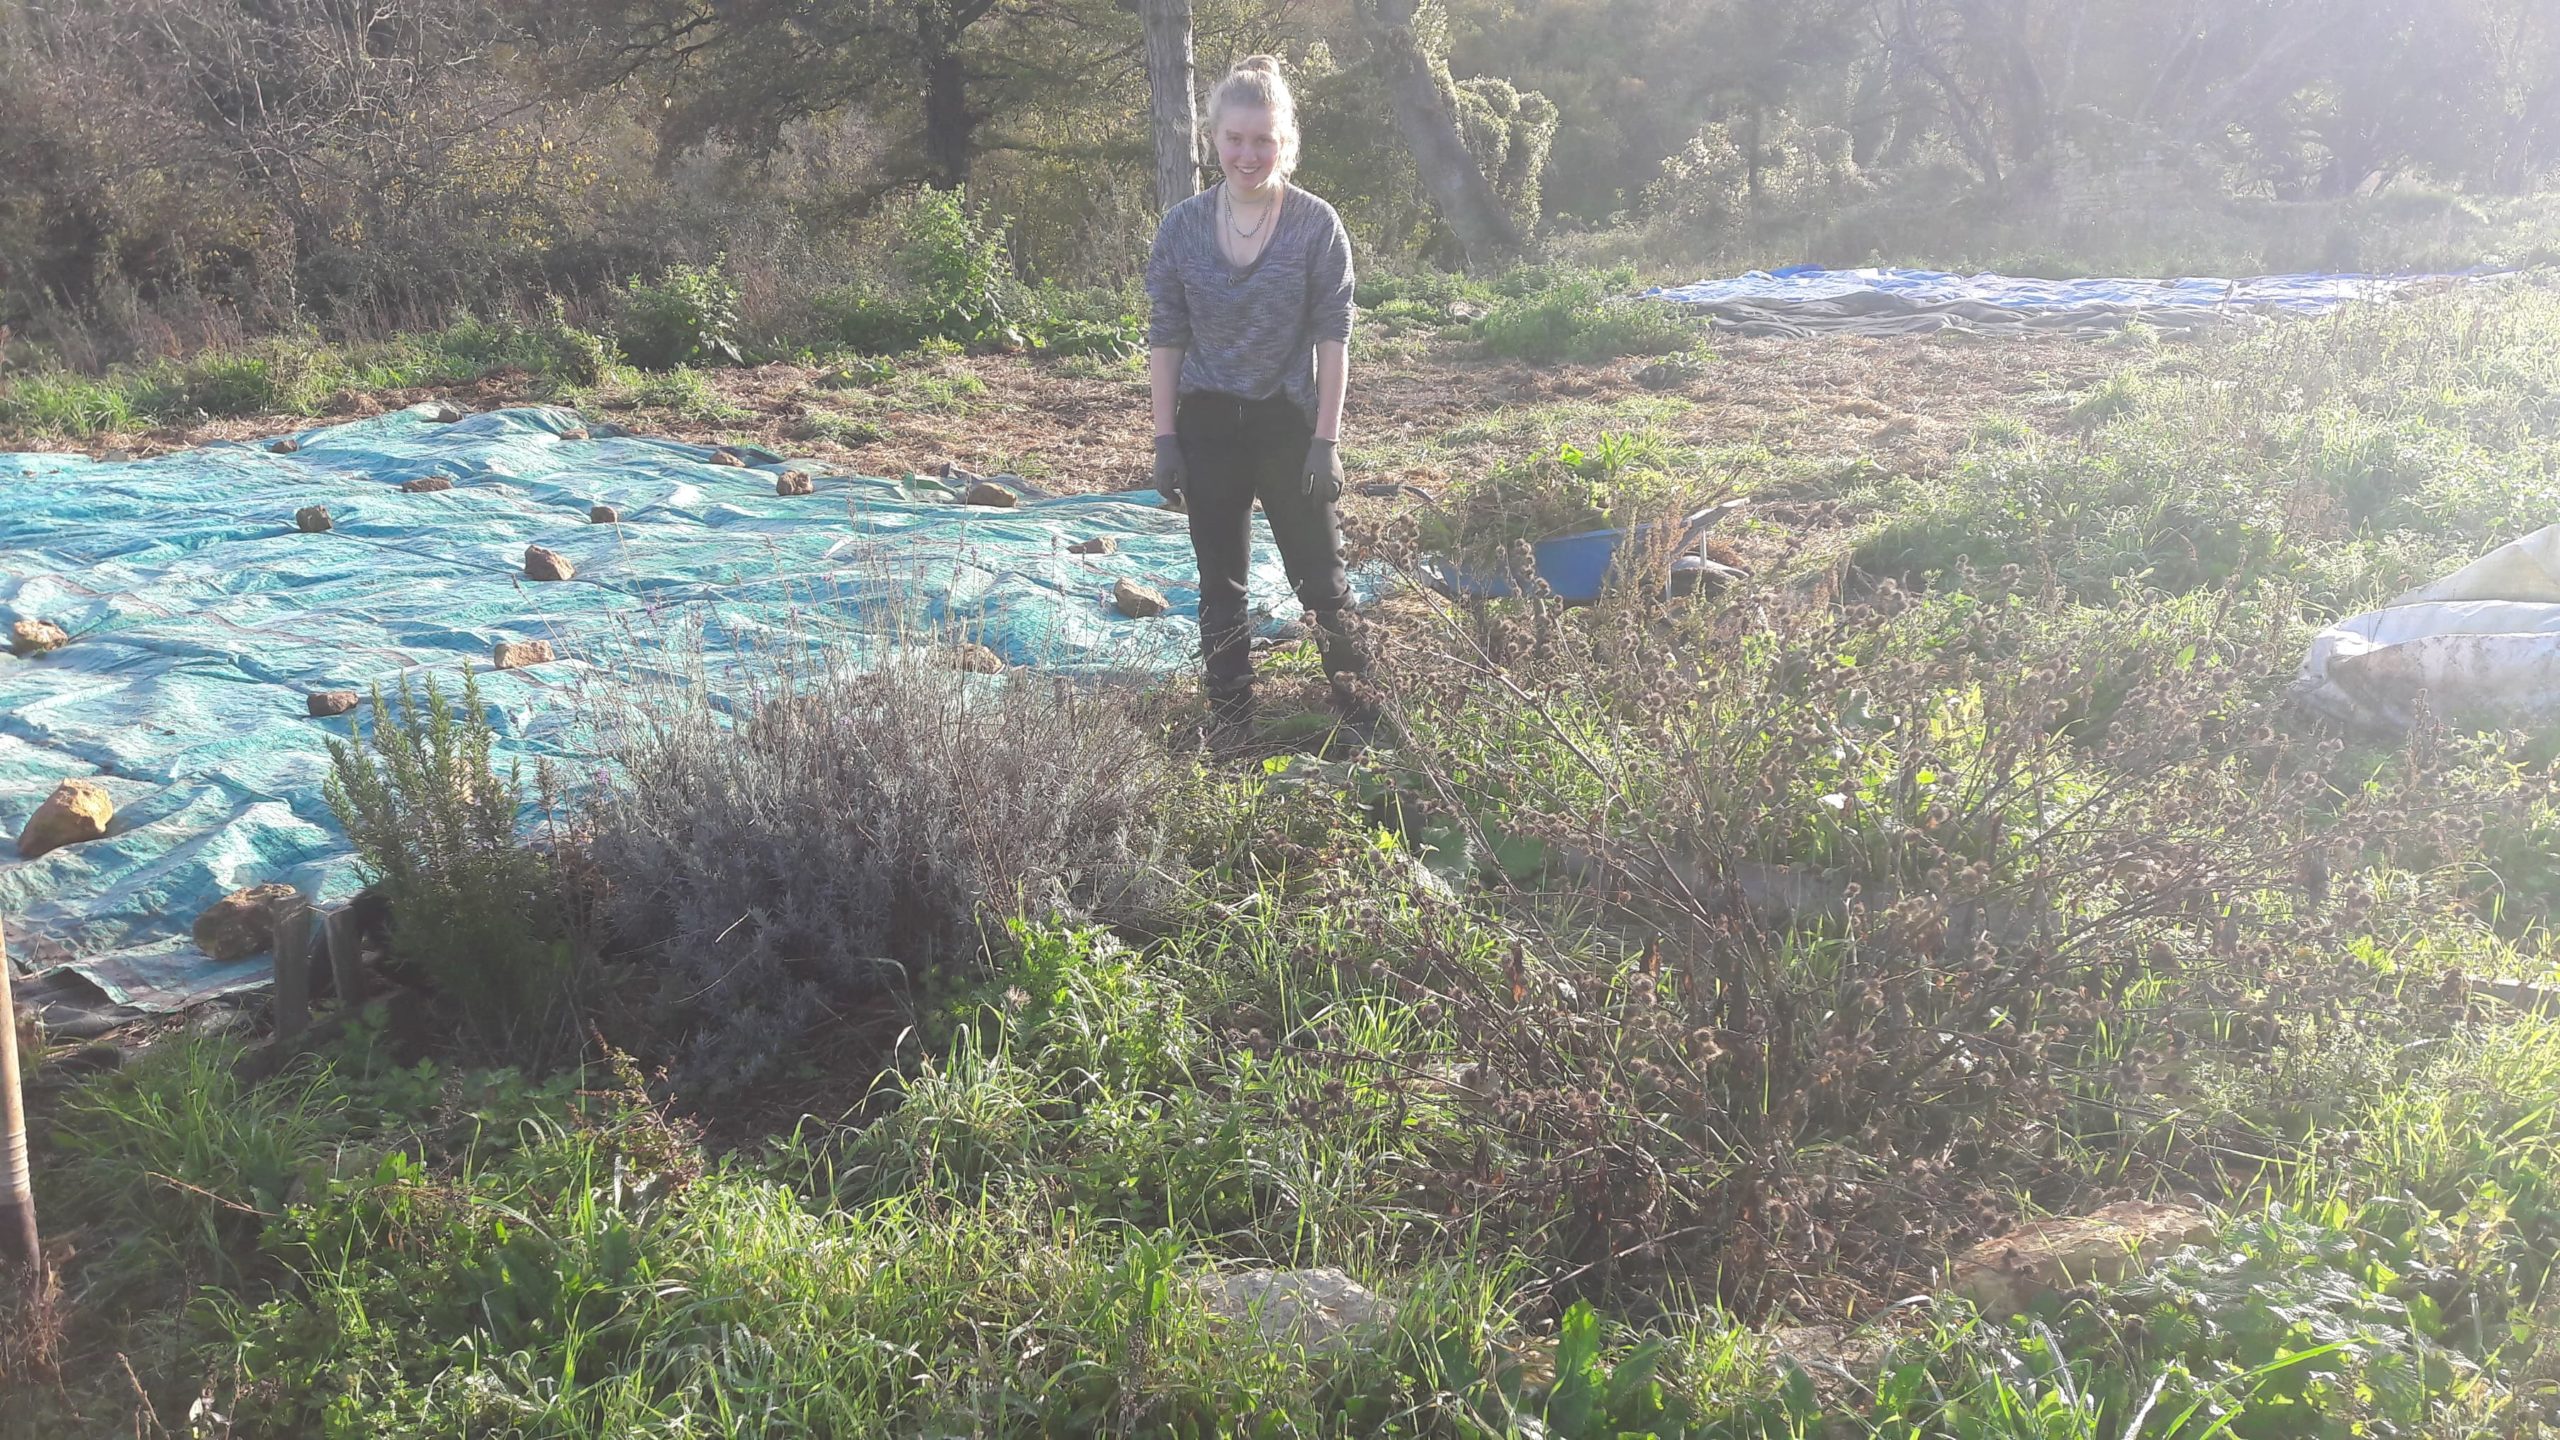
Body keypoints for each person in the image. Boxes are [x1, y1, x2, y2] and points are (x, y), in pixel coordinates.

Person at [1145, 53, 1365, 732]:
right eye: (1235, 139)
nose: (1248, 154)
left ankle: (1364, 715)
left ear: (1285, 142)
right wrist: (1165, 439)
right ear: (1214, 139)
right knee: (1221, 588)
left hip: (1286, 423)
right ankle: (1233, 723)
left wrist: (1325, 442)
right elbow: (1166, 337)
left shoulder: (1315, 225)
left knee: (1321, 582)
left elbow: (1334, 339)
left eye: (1263, 139)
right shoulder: (1181, 228)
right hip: (1208, 423)